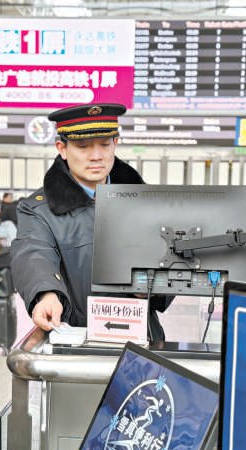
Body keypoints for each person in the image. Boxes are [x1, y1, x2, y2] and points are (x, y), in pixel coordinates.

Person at [11, 103, 171, 340]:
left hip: (142, 344)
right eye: (83, 146)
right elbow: (33, 253)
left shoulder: (146, 203)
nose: (96, 156)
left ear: (115, 144)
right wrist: (46, 294)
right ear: (62, 149)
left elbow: (169, 259)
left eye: (105, 145)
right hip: (74, 343)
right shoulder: (38, 210)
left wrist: (152, 287)